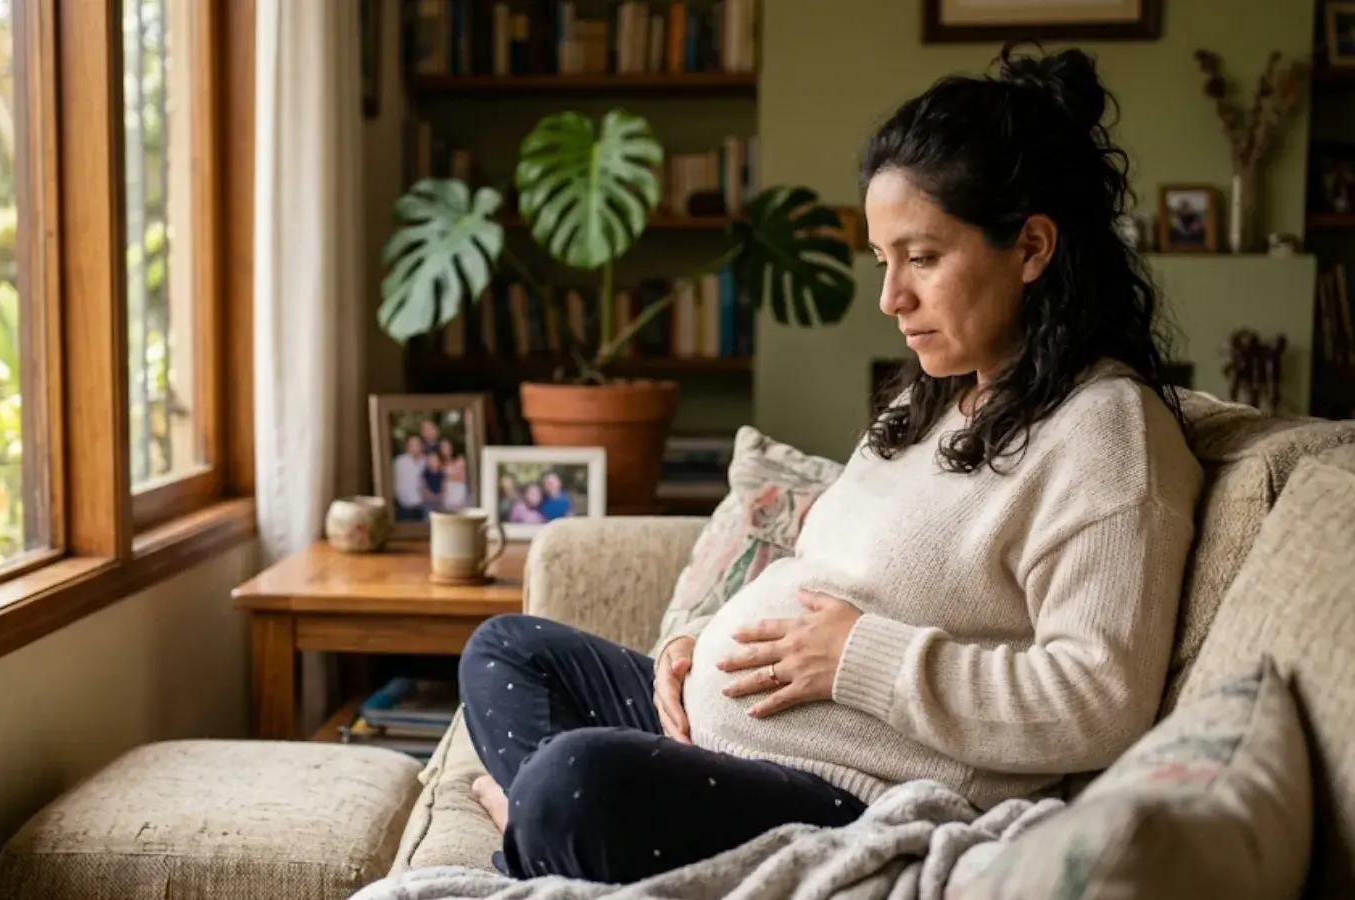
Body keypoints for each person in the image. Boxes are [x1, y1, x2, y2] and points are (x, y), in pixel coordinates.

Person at [457, 45, 1203, 885]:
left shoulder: (1105, 434)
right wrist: (694, 649)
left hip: (848, 795)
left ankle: (531, 819)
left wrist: (860, 657)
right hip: (716, 739)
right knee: (507, 650)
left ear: (1031, 247)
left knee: (573, 782)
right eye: (885, 261)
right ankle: (540, 823)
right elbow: (820, 573)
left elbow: (1099, 701)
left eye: (922, 258)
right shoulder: (932, 399)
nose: (891, 299)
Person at [390, 434, 429, 522]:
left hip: (423, 507)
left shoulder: (426, 461)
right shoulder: (399, 462)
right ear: (407, 447)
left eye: (417, 445)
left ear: (422, 446)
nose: (415, 448)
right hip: (404, 506)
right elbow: (395, 483)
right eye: (412, 445)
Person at [439, 437, 471, 510]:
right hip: (446, 497)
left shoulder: (460, 460)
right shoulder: (440, 463)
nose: (446, 449)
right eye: (443, 447)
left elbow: (462, 478)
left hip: (459, 493)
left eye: (448, 446)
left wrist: (447, 476)